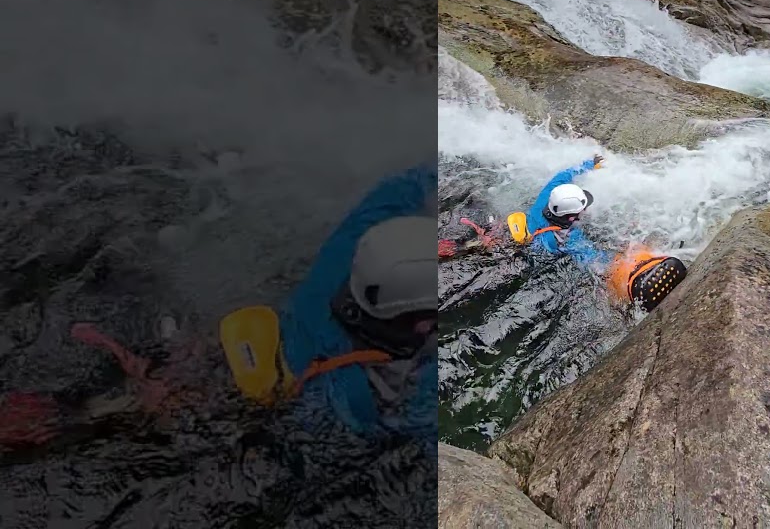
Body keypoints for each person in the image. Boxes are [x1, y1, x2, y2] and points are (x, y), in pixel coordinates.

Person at [1, 165, 438, 452]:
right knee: (158, 414)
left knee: (141, 398)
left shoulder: (339, 260)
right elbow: (421, 429)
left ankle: (51, 415)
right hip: (260, 413)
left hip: (233, 350)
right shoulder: (375, 394)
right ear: (420, 321)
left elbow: (395, 190)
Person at [523, 154, 613, 270]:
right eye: (583, 208)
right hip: (537, 251)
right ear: (571, 218)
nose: (586, 209)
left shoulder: (548, 194)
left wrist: (590, 164)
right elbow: (597, 261)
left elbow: (564, 175)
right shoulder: (567, 237)